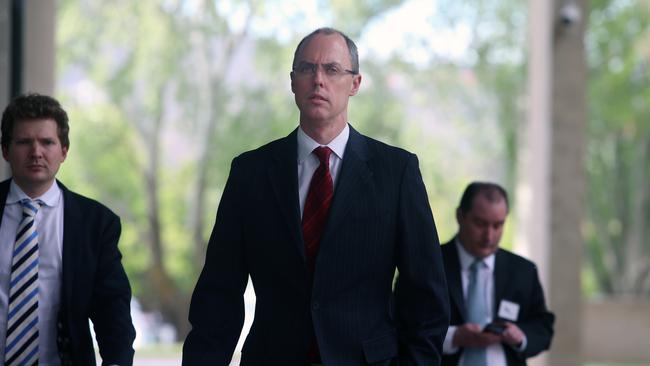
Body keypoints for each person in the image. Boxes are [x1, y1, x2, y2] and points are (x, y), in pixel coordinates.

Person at [183, 27, 449, 365]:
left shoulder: (396, 172)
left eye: (332, 69)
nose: (318, 80)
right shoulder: (250, 173)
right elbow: (219, 295)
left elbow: (426, 295)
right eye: (307, 69)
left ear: (355, 83)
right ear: (293, 81)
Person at [0, 93, 135, 365]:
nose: (36, 152)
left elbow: (112, 313)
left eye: (47, 142)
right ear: (5, 150)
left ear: (64, 151)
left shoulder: (95, 224)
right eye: (24, 142)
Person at [440, 182, 554, 366]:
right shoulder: (430, 266)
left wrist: (521, 336)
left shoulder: (523, 271)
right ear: (460, 216)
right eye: (480, 224)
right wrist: (454, 337)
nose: (489, 236)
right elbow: (406, 326)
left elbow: (542, 328)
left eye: (498, 225)